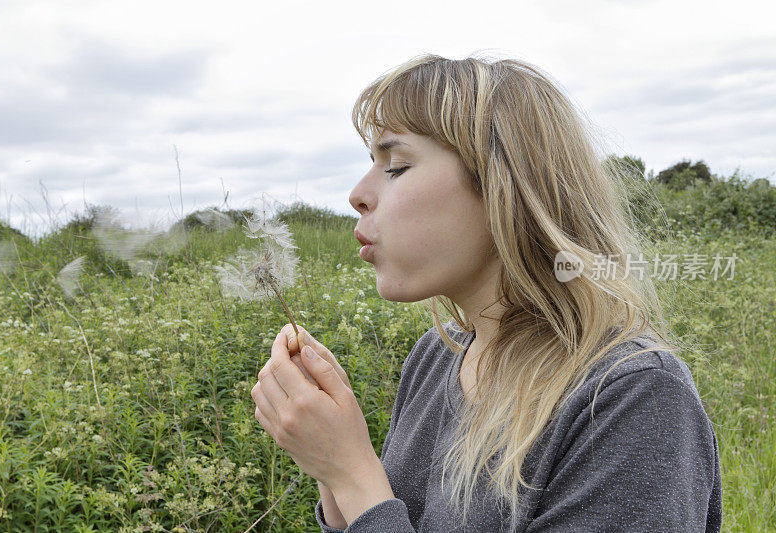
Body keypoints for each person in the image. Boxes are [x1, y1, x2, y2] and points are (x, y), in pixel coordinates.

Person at [250, 52, 722, 532]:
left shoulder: (632, 395)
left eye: (395, 166)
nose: (357, 194)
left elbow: (374, 506)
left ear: (503, 184)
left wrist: (354, 475)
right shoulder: (438, 355)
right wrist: (332, 474)